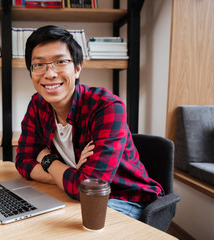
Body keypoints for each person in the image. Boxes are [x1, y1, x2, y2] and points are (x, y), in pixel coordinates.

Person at [15, 25, 164, 220]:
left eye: (60, 62)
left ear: (77, 68)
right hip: (73, 193)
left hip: (126, 198)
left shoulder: (107, 106)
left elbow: (87, 188)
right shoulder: (38, 103)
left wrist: (48, 160)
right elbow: (23, 161)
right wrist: (72, 174)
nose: (49, 73)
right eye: (39, 64)